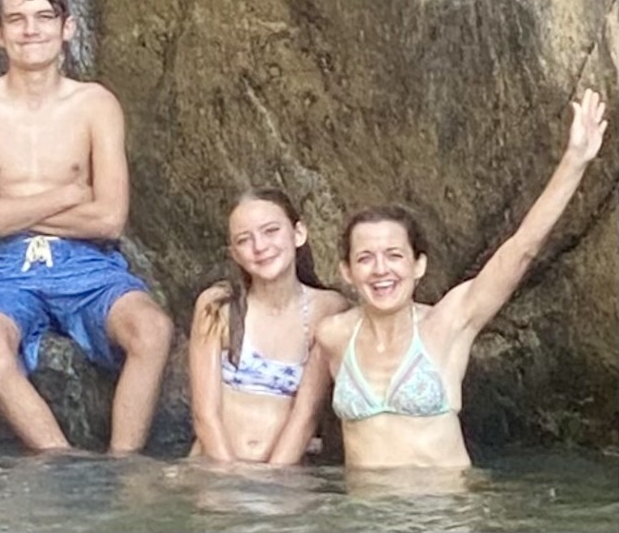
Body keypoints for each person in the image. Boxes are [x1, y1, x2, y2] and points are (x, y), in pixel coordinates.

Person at [0, 0, 173, 453]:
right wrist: (68, 195)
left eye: (44, 17)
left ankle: (123, 467)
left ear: (67, 28)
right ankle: (63, 461)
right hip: (4, 267)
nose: (31, 30)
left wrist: (0, 205)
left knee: (152, 329)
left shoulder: (95, 104)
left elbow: (109, 218)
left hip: (86, 262)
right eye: (17, 19)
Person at [316, 88, 607, 472]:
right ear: (346, 272)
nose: (381, 270)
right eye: (365, 258)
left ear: (419, 265)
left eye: (394, 256)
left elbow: (520, 250)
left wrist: (574, 161)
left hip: (445, 516)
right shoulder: (333, 335)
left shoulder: (449, 323)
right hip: (365, 519)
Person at [187, 188, 348, 463]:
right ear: (235, 253)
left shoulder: (329, 308)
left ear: (298, 234)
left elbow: (306, 415)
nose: (260, 247)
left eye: (271, 231)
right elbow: (205, 415)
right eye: (244, 240)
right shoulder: (218, 304)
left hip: (283, 473)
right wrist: (228, 477)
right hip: (214, 468)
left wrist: (272, 479)